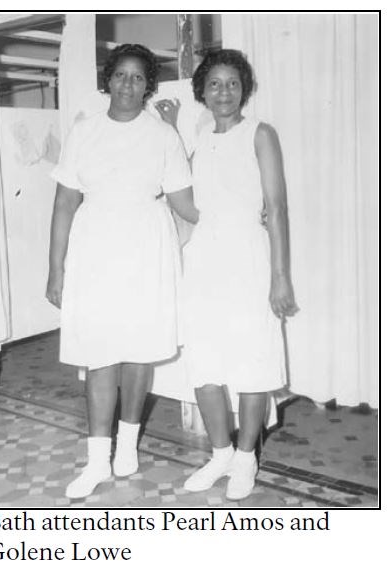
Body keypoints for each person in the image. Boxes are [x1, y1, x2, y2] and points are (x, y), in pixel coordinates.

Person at [46, 44, 198, 499]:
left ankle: (127, 446)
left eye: (138, 77)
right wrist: (56, 269)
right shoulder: (85, 132)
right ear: (107, 80)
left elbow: (186, 203)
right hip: (94, 251)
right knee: (99, 355)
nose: (128, 85)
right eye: (120, 76)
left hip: (146, 251)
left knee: (138, 352)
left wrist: (249, 207)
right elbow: (64, 203)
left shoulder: (162, 136)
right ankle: (97, 461)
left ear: (148, 85)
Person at [156, 49, 298, 501]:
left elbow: (275, 208)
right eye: (214, 84)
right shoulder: (198, 141)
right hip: (204, 262)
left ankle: (244, 459)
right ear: (202, 90)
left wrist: (280, 276)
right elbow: (190, 202)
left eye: (232, 83)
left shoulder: (260, 134)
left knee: (252, 360)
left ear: (245, 89)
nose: (224, 92)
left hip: (249, 261)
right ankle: (219, 454)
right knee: (205, 363)